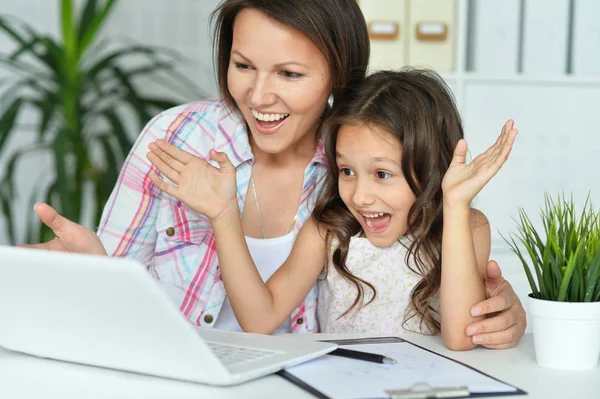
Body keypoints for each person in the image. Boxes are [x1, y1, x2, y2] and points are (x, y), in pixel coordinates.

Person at [26, 0, 525, 348]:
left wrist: (505, 311)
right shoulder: (178, 138)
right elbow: (116, 288)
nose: (260, 97)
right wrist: (99, 270)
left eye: (289, 74)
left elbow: (451, 300)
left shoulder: (356, 157)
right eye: (243, 66)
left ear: (339, 73)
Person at [145, 68, 518, 350]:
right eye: (346, 171)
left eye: (382, 173)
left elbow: (460, 338)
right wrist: (224, 214)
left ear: (430, 167)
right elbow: (260, 318)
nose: (360, 195)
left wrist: (454, 204)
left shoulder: (467, 227)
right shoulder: (332, 230)